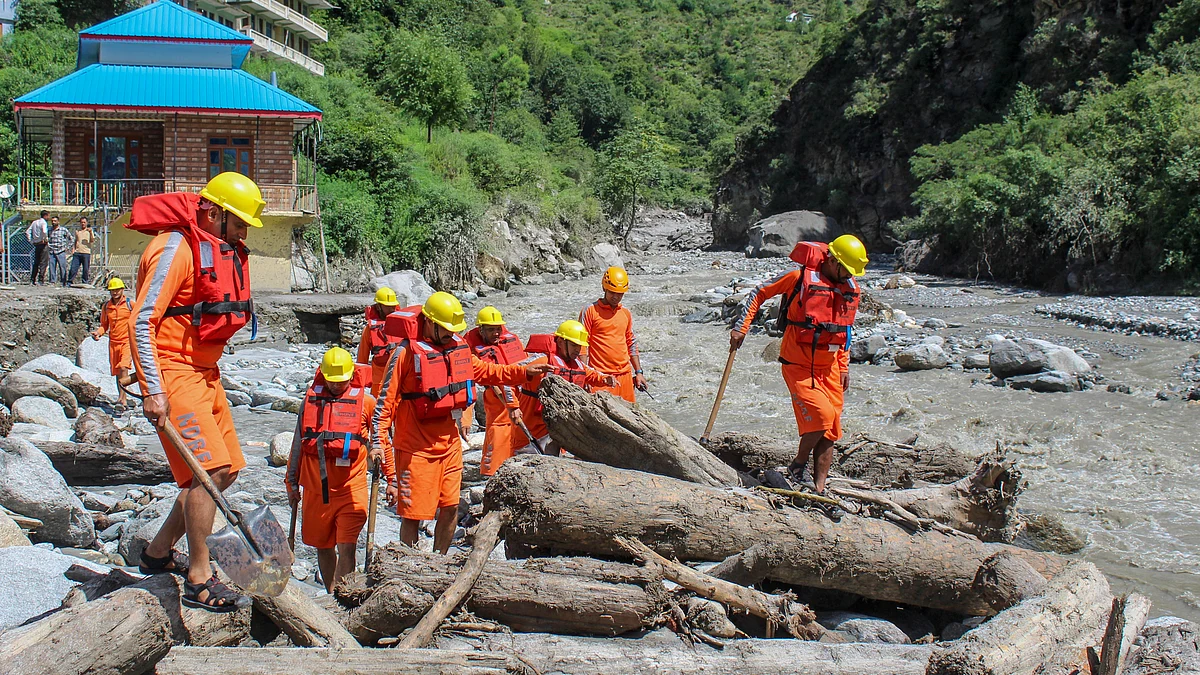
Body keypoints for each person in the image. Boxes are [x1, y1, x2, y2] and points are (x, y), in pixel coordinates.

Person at [129, 172, 265, 612]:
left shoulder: (218, 246)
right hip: (174, 369)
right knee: (207, 472)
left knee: (227, 471)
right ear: (214, 212)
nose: (245, 234)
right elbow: (141, 319)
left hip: (207, 371)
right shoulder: (174, 248)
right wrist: (153, 389)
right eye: (240, 223)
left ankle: (158, 550)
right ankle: (200, 577)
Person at [372, 292, 552, 554]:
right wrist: (378, 442)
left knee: (451, 507)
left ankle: (440, 561)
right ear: (429, 323)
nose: (449, 335)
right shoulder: (404, 353)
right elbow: (383, 404)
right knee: (413, 514)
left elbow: (488, 372)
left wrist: (523, 372)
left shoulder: (457, 347)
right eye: (445, 329)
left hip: (448, 445)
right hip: (415, 449)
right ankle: (406, 564)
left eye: (452, 330)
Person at [729, 234, 868, 496]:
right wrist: (741, 327)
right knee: (822, 416)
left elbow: (844, 332)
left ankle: (819, 488)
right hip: (799, 364)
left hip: (831, 368)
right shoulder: (798, 277)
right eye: (848, 269)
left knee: (832, 430)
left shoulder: (848, 288)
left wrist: (845, 366)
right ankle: (797, 466)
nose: (850, 276)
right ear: (832, 261)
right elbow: (760, 292)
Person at [286, 347, 394, 592]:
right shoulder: (309, 401)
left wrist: (392, 479)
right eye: (331, 381)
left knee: (347, 545)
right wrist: (291, 482)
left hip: (350, 488)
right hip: (315, 489)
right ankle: (332, 593)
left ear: (351, 376)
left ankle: (344, 595)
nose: (336, 386)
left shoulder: (366, 403)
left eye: (341, 381)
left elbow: (382, 442)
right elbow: (297, 444)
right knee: (323, 546)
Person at [517, 320, 616, 454]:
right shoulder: (542, 360)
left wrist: (605, 379)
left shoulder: (577, 364)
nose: (578, 350)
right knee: (524, 460)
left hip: (557, 424)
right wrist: (513, 406)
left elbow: (591, 374)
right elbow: (510, 376)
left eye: (580, 346)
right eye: (574, 345)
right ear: (561, 341)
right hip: (531, 424)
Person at [464, 306, 529, 475]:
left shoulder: (511, 340)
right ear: (481, 329)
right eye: (491, 330)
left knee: (519, 439)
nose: (496, 333)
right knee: (498, 435)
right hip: (497, 401)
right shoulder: (472, 348)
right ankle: (491, 474)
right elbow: (497, 380)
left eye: (498, 329)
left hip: (519, 396)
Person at [579, 266, 647, 402]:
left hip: (625, 378)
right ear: (604, 288)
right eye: (612, 292)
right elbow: (582, 344)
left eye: (620, 294)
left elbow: (631, 343)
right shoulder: (590, 311)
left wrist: (638, 372)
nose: (616, 297)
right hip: (600, 378)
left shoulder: (625, 313)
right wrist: (583, 375)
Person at [91, 277, 133, 409]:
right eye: (112, 290)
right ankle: (120, 397)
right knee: (116, 371)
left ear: (122, 289)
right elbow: (104, 324)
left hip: (127, 341)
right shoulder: (106, 307)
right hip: (113, 343)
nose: (115, 292)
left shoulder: (130, 304)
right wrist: (98, 333)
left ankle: (123, 399)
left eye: (117, 289)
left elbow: (141, 318)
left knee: (123, 367)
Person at [357, 287, 400, 395]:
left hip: (399, 378)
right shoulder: (369, 329)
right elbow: (362, 360)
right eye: (388, 306)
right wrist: (359, 385)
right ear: (379, 306)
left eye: (393, 306)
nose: (392, 309)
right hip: (379, 381)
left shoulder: (402, 325)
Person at [68, 217, 94, 285]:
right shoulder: (77, 231)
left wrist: (91, 232)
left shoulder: (89, 231)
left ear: (86, 223)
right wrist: (73, 249)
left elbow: (92, 240)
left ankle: (85, 282)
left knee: (85, 269)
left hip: (86, 252)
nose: (83, 224)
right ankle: (70, 281)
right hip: (77, 252)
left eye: (84, 222)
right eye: (82, 222)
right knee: (73, 268)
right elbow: (76, 241)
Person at [26, 210, 49, 285]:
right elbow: (44, 231)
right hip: (43, 243)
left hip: (36, 244)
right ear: (45, 216)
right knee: (43, 263)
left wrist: (31, 241)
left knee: (36, 262)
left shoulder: (34, 222)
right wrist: (45, 239)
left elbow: (27, 232)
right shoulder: (43, 223)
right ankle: (40, 280)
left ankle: (32, 279)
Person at [47, 217, 72, 287]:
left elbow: (71, 239)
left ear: (58, 222)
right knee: (52, 267)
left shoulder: (63, 230)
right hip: (52, 251)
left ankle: (63, 282)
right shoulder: (49, 230)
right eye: (52, 221)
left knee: (62, 267)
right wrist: (48, 245)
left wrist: (67, 247)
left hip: (61, 251)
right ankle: (52, 281)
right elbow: (46, 239)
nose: (53, 222)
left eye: (55, 221)